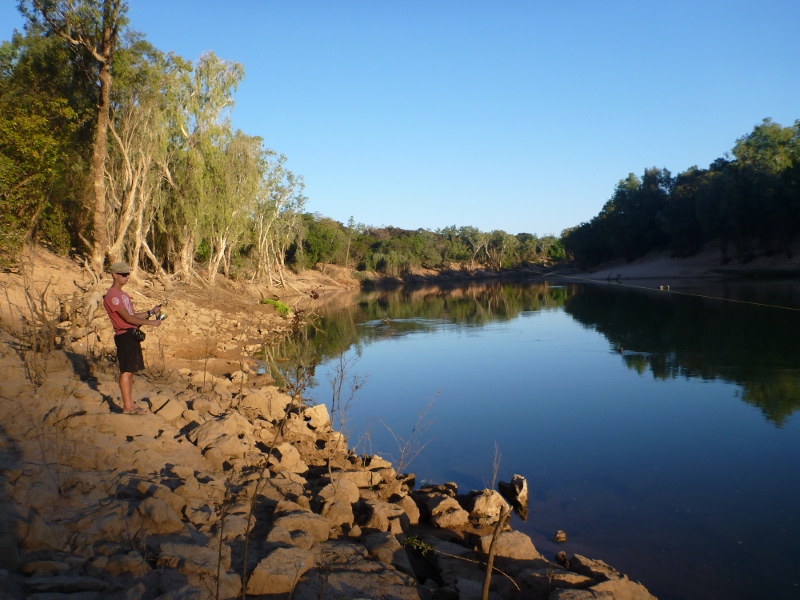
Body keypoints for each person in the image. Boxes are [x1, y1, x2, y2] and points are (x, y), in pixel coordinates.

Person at [103, 261, 163, 415]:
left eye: (128, 274)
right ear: (114, 275)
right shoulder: (112, 296)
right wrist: (151, 323)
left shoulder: (123, 295)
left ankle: (130, 404)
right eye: (123, 274)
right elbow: (128, 319)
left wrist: (151, 312)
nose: (127, 277)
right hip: (124, 336)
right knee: (126, 371)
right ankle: (127, 406)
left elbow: (133, 316)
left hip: (131, 336)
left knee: (131, 371)